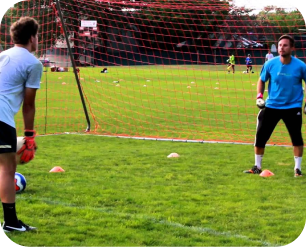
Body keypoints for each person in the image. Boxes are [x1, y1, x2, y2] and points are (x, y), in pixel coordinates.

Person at [0, 17, 42, 232]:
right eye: (38, 36)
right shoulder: (33, 63)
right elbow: (29, 104)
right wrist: (29, 135)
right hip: (1, 118)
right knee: (8, 169)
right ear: (32, 37)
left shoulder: (2, 55)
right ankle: (11, 223)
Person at [244, 34, 306, 177]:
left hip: (292, 107)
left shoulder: (301, 66)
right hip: (272, 106)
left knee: (296, 138)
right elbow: (261, 80)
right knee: (260, 136)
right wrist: (259, 96)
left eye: (285, 45)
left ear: (292, 48)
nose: (281, 48)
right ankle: (257, 167)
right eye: (279, 45)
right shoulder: (270, 64)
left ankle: (297, 169)